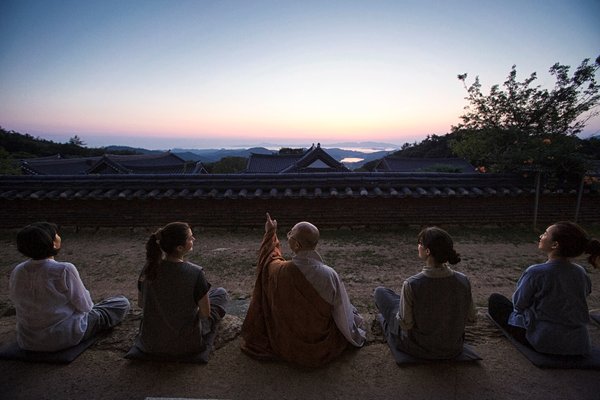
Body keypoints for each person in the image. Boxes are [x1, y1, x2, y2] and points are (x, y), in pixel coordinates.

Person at [241, 213, 366, 367]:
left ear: (297, 246)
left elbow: (268, 260)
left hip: (286, 345)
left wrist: (270, 232)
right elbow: (342, 311)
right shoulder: (329, 274)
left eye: (290, 235)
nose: (288, 238)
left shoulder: (280, 271)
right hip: (321, 346)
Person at [9, 222, 130, 352]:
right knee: (121, 302)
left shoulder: (18, 270)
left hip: (28, 341)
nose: (58, 236)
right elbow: (87, 307)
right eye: (56, 234)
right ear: (54, 243)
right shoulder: (64, 269)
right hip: (64, 337)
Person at [488, 221, 600, 356]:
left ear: (555, 245)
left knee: (496, 300)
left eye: (546, 234)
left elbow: (519, 305)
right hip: (578, 343)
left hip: (545, 341)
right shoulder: (580, 271)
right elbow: (584, 293)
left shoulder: (536, 272)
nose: (541, 236)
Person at [374, 227, 476, 359]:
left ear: (428, 251)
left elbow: (406, 324)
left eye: (420, 243)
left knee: (380, 292)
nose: (418, 246)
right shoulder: (463, 281)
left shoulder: (412, 284)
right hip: (453, 347)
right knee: (400, 301)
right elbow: (471, 318)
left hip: (420, 347)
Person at [135, 222, 228, 356]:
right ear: (179, 247)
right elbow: (205, 314)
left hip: (150, 343)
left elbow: (141, 303)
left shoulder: (149, 268)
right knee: (221, 294)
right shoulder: (195, 273)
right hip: (186, 344)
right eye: (190, 238)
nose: (194, 239)